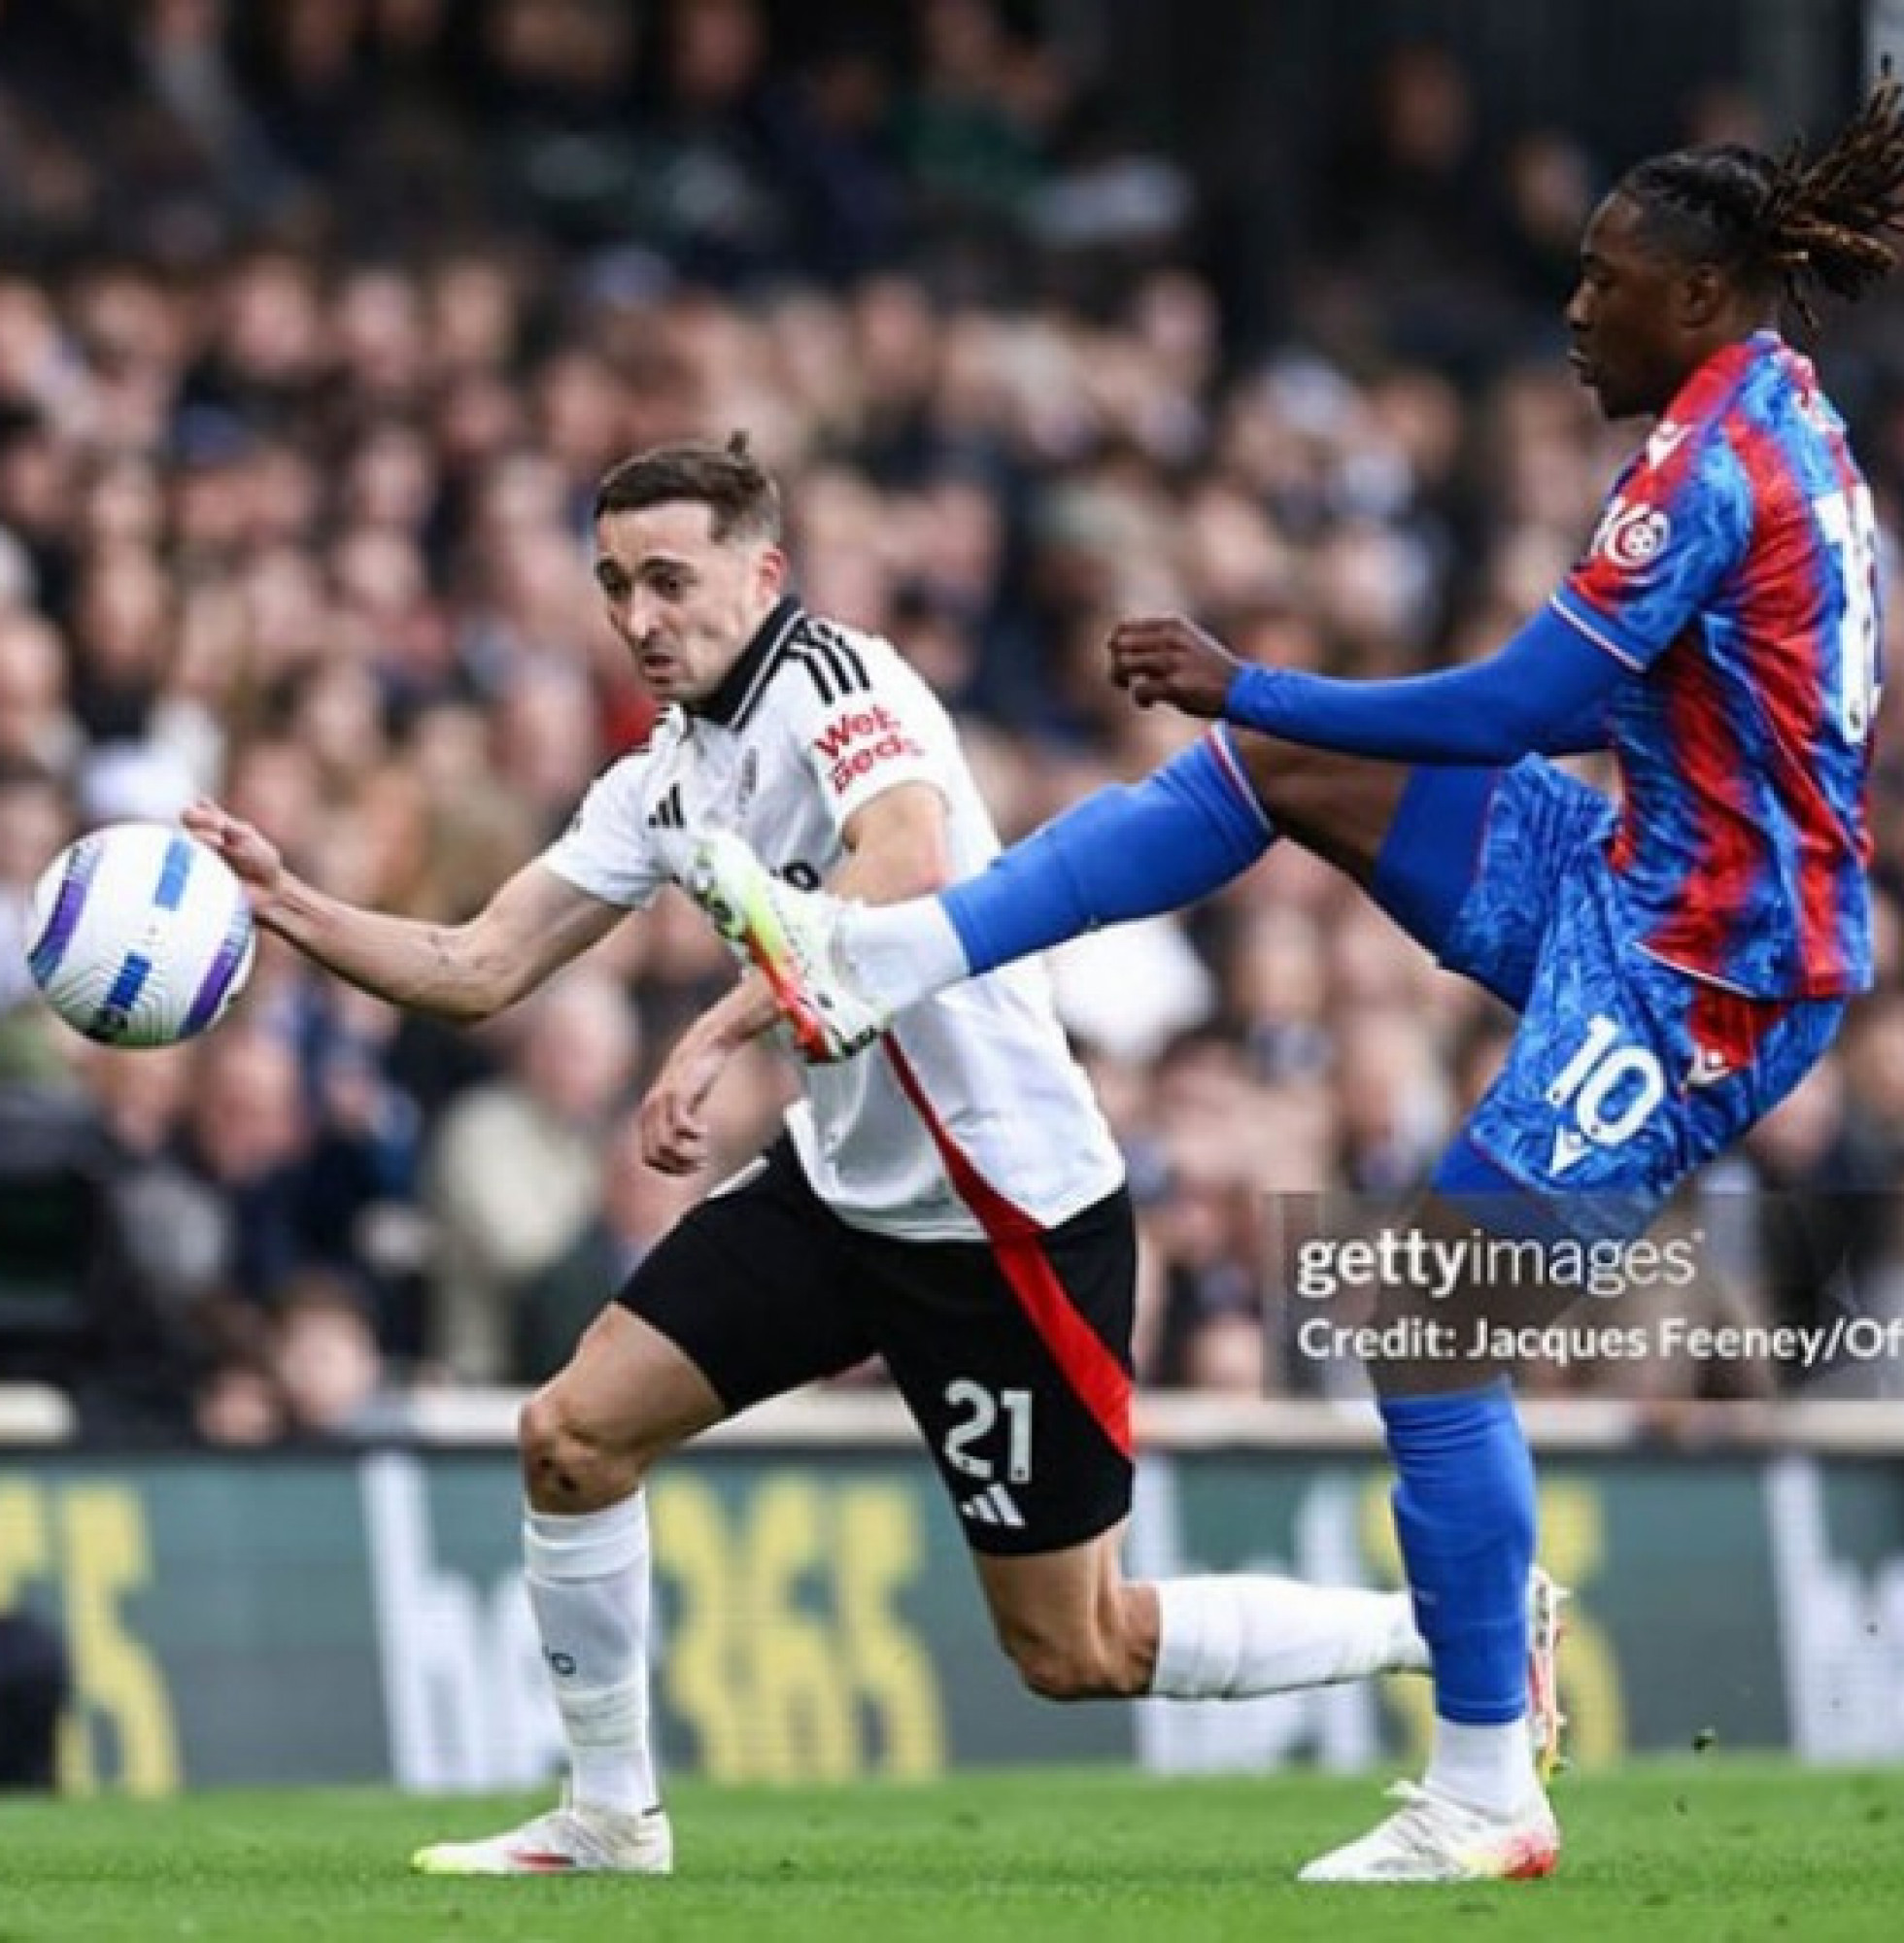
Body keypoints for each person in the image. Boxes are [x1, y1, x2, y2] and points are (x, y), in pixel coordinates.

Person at [676, 76, 1904, 1883]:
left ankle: (1487, 1790)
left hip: (1706, 971)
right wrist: (1275, 720)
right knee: (1289, 782)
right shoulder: (1777, 411)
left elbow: (1519, 706)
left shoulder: (1706, 468)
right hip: (1632, 872)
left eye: (1604, 283)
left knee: (1415, 1324)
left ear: (1701, 297)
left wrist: (1246, 676)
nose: (1572, 311)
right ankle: (891, 956)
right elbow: (1586, 708)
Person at [183, 434, 1553, 1879]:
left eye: (669, 580)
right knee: (571, 1438)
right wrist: (292, 906)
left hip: (1001, 1212)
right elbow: (475, 963)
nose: (640, 618)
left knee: (1076, 1647)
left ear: (762, 574)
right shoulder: (662, 779)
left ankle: (1461, 1628)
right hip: (842, 1194)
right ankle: (609, 1816)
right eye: (612, 588)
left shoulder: (844, 684)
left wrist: (713, 1037)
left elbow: (901, 865)